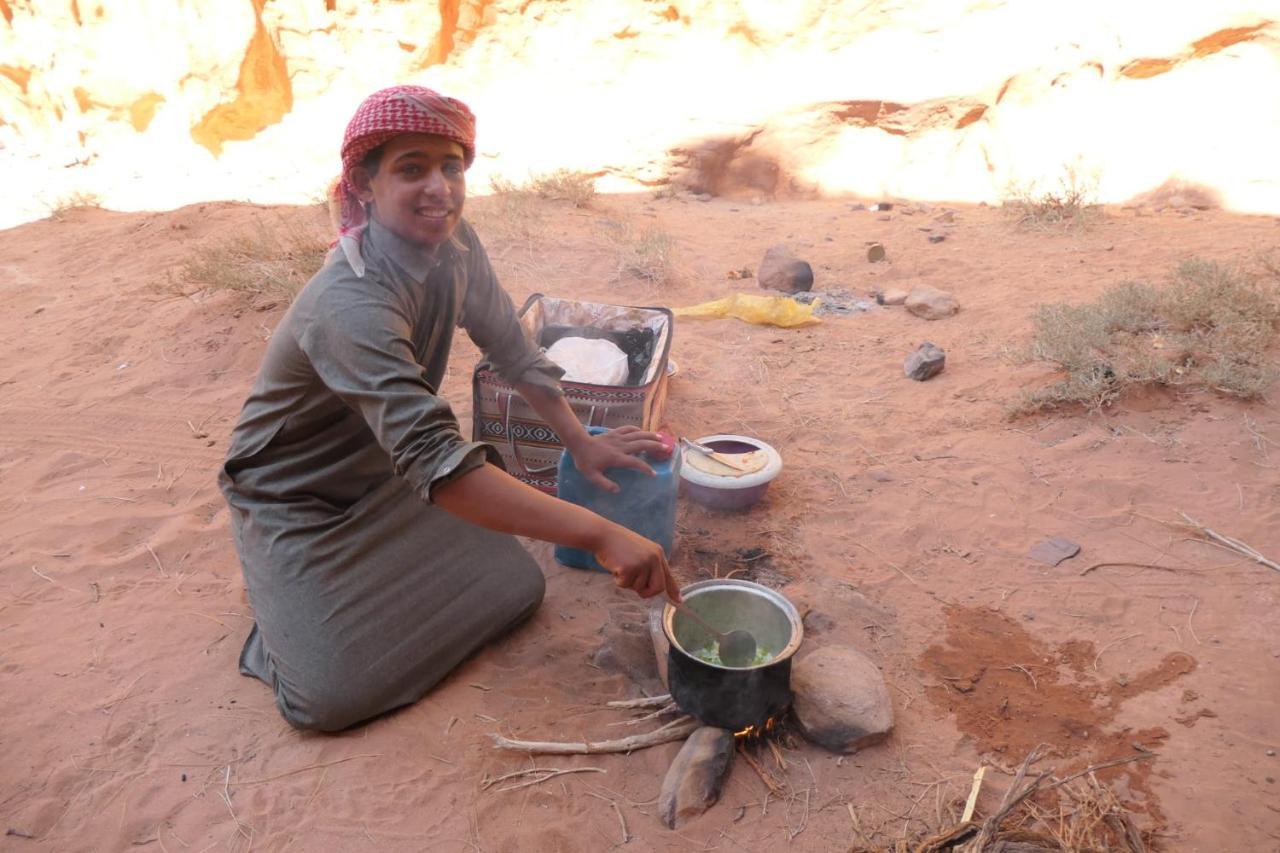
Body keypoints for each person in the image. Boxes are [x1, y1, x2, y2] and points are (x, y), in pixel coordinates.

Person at [219, 85, 678, 732]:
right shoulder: (349, 302)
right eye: (412, 168)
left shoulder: (457, 249)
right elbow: (438, 459)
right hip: (298, 500)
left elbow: (515, 351)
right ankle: (283, 617)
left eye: (452, 166)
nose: (440, 187)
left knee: (517, 589)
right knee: (326, 698)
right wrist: (599, 531)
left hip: (388, 476)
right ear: (365, 183)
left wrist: (581, 443)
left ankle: (348, 585)